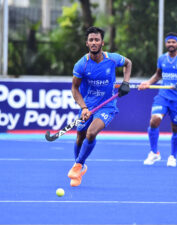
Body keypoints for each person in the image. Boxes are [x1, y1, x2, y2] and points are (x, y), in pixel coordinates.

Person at [68, 26, 132, 187]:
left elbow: (128, 63)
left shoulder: (112, 59)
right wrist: (83, 107)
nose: (94, 42)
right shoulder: (81, 65)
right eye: (91, 40)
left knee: (91, 133)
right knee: (80, 137)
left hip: (107, 106)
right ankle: (80, 166)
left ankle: (77, 166)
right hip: (88, 106)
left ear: (102, 43)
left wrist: (126, 82)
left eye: (97, 39)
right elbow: (74, 88)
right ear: (87, 43)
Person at [138, 32, 177, 167]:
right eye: (169, 42)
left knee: (175, 127)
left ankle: (173, 156)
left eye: (174, 42)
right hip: (163, 97)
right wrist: (148, 83)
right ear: (166, 44)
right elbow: (158, 75)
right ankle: (154, 153)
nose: (171, 44)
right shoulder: (162, 59)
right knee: (154, 121)